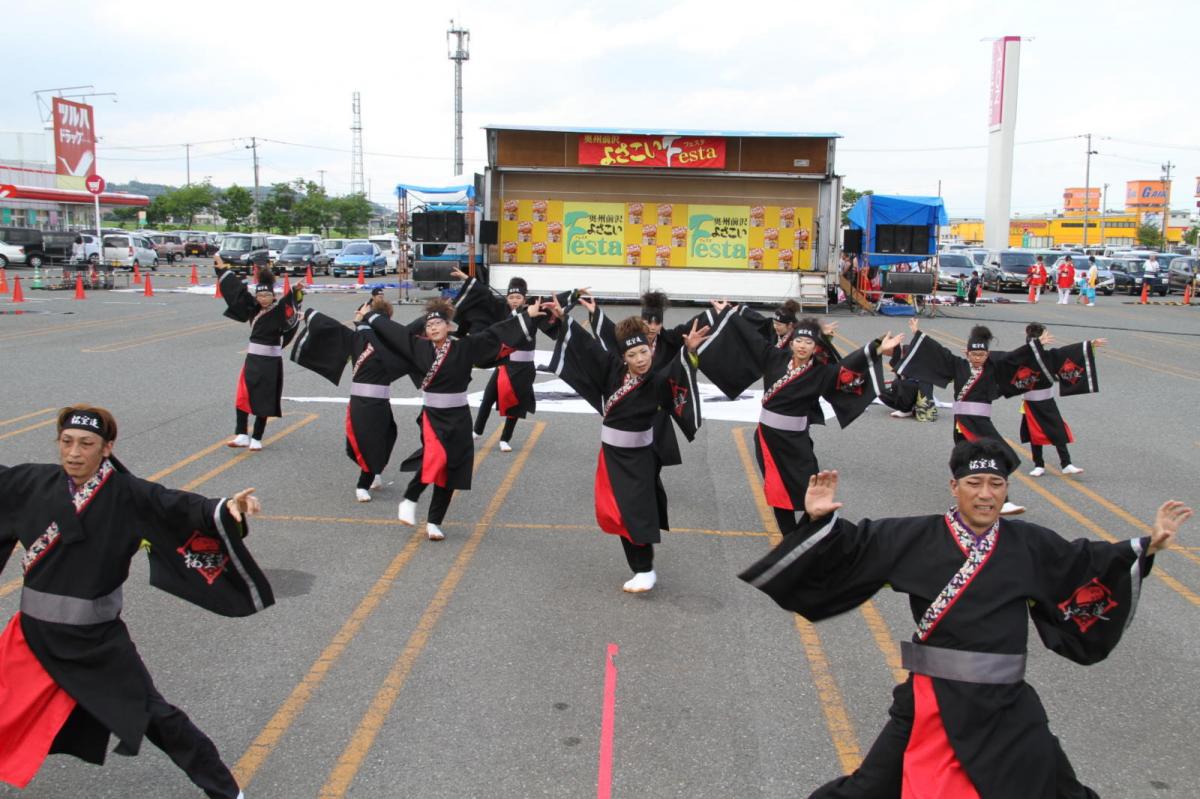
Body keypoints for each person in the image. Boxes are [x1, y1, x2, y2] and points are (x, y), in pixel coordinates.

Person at [739, 439, 1191, 799]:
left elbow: (1086, 563)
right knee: (871, 787)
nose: (986, 494)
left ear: (1007, 490)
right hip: (930, 698)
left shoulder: (1030, 545)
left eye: (996, 484)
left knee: (1054, 783)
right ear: (954, 488)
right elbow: (853, 550)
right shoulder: (912, 536)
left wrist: (1146, 546)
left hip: (1006, 700)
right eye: (975, 483)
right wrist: (818, 522)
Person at [0, 405, 274, 798]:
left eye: (87, 444)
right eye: (67, 442)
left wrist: (226, 509)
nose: (75, 452)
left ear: (107, 447)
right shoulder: (31, 483)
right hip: (32, 636)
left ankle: (227, 792)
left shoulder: (129, 496)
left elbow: (178, 507)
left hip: (95, 643)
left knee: (157, 717)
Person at [541, 297, 707, 592]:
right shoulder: (611, 369)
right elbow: (586, 347)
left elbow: (678, 374)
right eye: (633, 354)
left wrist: (689, 352)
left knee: (635, 510)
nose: (641, 359)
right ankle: (640, 567)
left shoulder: (656, 380)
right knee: (615, 512)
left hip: (640, 455)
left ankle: (645, 569)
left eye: (644, 351)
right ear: (624, 357)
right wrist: (562, 319)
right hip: (610, 455)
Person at [697, 302, 901, 536]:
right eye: (799, 341)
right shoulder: (774, 358)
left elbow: (848, 366)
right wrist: (728, 313)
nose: (803, 346)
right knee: (777, 492)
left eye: (809, 342)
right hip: (768, 439)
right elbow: (750, 338)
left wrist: (876, 347)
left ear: (816, 347)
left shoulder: (821, 373)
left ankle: (804, 533)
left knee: (811, 487)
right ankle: (789, 538)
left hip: (797, 440)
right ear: (791, 342)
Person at [361, 297, 538, 540]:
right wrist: (369, 316)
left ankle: (434, 521)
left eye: (438, 324)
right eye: (429, 325)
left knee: (451, 468)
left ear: (449, 326)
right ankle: (410, 499)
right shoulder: (419, 348)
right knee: (436, 458)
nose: (432, 328)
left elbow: (495, 334)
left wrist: (527, 315)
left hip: (459, 416)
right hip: (432, 417)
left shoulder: (464, 347)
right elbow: (395, 333)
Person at [897, 318, 1055, 515]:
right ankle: (983, 500)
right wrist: (919, 334)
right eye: (974, 354)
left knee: (997, 456)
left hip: (981, 422)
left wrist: (1036, 344)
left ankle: (998, 501)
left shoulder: (992, 366)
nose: (978, 358)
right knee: (972, 459)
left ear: (987, 354)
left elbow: (1015, 357)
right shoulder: (958, 365)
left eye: (982, 354)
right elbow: (938, 352)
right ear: (966, 353)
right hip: (962, 423)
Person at [289, 294, 416, 502]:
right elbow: (330, 327)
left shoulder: (392, 343)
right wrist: (309, 316)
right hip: (359, 402)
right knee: (356, 445)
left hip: (380, 402)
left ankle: (364, 481)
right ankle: (372, 470)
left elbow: (414, 335)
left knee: (382, 439)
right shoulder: (357, 338)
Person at [450, 270, 559, 453]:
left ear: (525, 299)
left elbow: (553, 313)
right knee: (488, 397)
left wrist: (572, 297)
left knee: (515, 405)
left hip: (524, 368)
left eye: (518, 297)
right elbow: (483, 294)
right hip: (505, 364)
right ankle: (476, 431)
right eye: (511, 297)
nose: (514, 300)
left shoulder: (533, 312)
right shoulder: (502, 309)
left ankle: (505, 438)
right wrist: (466, 279)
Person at [219, 268, 303, 451]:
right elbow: (237, 293)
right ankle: (241, 434)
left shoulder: (280, 310)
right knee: (243, 395)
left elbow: (291, 306)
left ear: (273, 296)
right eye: (260, 295)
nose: (263, 298)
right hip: (252, 360)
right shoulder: (253, 308)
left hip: (271, 361)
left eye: (267, 295)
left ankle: (257, 437)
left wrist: (296, 292)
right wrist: (222, 270)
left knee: (264, 398)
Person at [1019, 323, 1106, 477]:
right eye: (1045, 336)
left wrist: (1089, 345)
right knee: (1035, 434)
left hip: (1047, 400)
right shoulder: (1022, 357)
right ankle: (1038, 464)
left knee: (1058, 430)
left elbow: (1068, 352)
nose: (1048, 338)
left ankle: (1066, 464)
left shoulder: (1050, 356)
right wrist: (1036, 343)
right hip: (1031, 403)